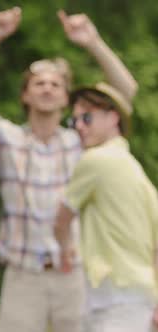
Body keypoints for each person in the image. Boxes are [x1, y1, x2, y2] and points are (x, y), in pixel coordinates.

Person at [0, 7, 138, 332]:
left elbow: (126, 93)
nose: (47, 88)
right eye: (39, 83)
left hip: (75, 273)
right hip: (24, 277)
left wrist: (92, 42)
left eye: (55, 84)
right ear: (26, 95)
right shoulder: (7, 140)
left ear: (65, 98)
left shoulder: (82, 142)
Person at [54, 82, 158, 332]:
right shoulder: (138, 172)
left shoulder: (95, 159)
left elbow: (61, 219)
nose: (78, 126)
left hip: (113, 302)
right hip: (140, 300)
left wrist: (65, 247)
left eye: (87, 117)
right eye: (74, 121)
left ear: (113, 117)